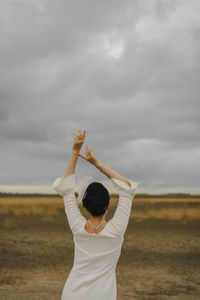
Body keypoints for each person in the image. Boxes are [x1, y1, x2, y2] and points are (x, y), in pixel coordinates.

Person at [52, 129, 138, 300]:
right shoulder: (115, 231)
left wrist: (75, 151)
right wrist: (98, 164)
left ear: (85, 207)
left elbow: (66, 189)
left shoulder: (77, 227)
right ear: (107, 206)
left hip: (72, 294)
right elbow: (127, 189)